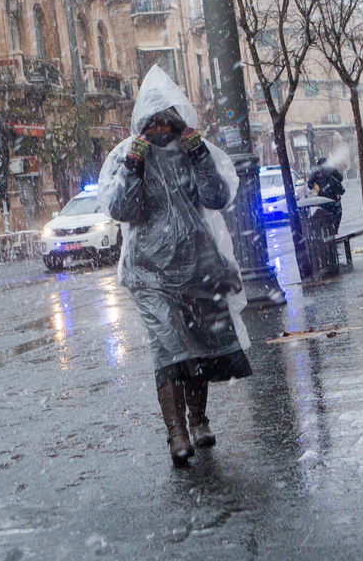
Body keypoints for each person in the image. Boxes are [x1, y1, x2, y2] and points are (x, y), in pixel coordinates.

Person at [99, 66, 252, 466]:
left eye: (168, 118)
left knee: (198, 347)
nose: (161, 126)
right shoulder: (128, 155)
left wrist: (199, 153)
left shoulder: (193, 149)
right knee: (169, 349)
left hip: (197, 264)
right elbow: (119, 209)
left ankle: (198, 420)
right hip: (150, 272)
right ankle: (176, 433)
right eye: (154, 120)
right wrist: (134, 163)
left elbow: (217, 197)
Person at [305, 156, 346, 232]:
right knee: (337, 213)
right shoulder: (332, 170)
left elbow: (310, 183)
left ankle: (328, 228)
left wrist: (316, 186)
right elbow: (340, 178)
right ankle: (334, 228)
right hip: (334, 196)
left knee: (325, 214)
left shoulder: (317, 173)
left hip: (323, 198)